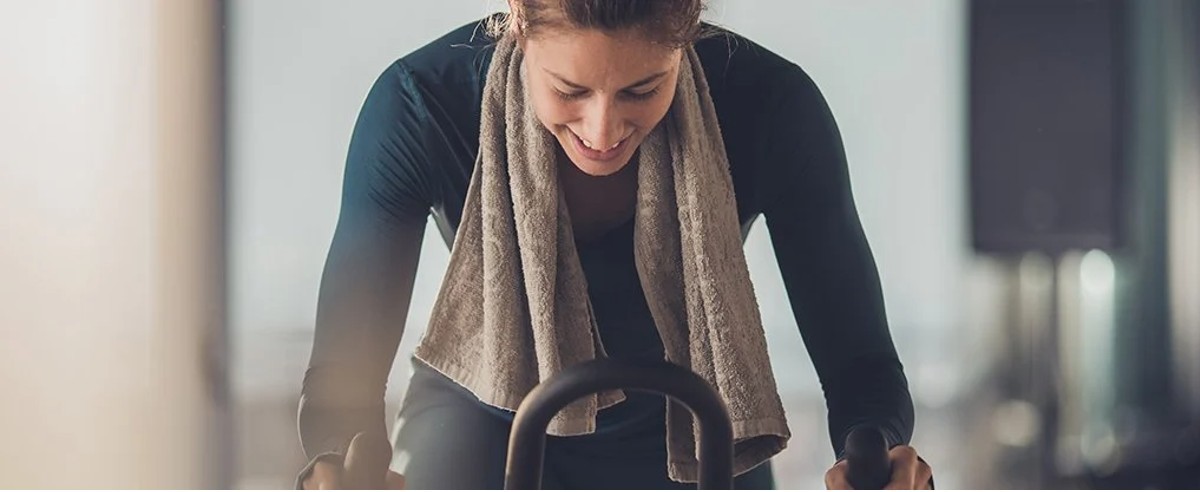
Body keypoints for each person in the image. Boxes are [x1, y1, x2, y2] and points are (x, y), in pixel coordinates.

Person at [296, 0, 933, 489]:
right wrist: (340, 461)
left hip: (700, 431)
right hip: (480, 419)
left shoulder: (773, 106)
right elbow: (341, 382)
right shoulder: (419, 106)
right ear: (517, 19)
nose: (602, 130)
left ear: (688, 36)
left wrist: (874, 452)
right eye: (570, 91)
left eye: (641, 90)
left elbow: (859, 364)